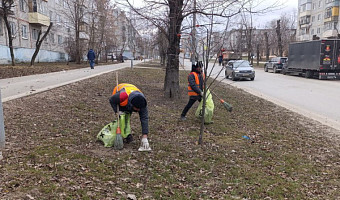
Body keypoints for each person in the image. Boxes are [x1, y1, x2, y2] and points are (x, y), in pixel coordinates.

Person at [109, 83, 151, 151]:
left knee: (127, 116)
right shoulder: (122, 96)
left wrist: (145, 136)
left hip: (131, 95)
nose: (138, 110)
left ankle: (127, 134)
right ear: (132, 104)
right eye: (137, 108)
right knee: (123, 117)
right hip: (120, 97)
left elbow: (144, 118)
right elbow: (111, 100)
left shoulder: (142, 102)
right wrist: (117, 112)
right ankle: (122, 135)